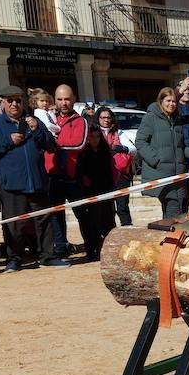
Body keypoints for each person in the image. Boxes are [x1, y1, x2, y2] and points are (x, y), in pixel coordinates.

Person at [0, 86, 65, 270]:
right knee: (14, 224)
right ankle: (14, 259)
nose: (14, 104)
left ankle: (48, 256)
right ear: (2, 102)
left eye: (18, 100)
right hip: (11, 183)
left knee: (44, 220)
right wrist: (8, 141)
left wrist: (37, 130)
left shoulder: (34, 121)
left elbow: (51, 145)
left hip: (37, 181)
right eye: (10, 101)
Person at [51, 85, 90, 259]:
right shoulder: (50, 119)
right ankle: (60, 249)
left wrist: (53, 144)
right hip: (54, 176)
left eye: (67, 99)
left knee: (83, 215)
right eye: (59, 99)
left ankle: (91, 246)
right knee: (56, 216)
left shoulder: (80, 121)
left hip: (74, 177)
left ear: (73, 99)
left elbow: (78, 144)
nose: (63, 103)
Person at [137, 87, 189, 216]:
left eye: (174, 101)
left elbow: (180, 147)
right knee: (173, 210)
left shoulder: (177, 120)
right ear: (161, 101)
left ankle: (170, 235)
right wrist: (156, 160)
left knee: (181, 210)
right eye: (168, 100)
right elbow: (140, 142)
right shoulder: (150, 118)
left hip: (179, 175)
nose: (171, 104)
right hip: (162, 175)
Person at [78, 122, 116, 254]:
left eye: (97, 137)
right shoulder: (82, 154)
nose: (95, 139)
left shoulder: (105, 153)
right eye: (92, 136)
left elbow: (110, 173)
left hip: (105, 192)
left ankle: (109, 248)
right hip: (88, 194)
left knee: (108, 220)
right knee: (90, 223)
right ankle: (91, 249)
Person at [98, 106, 133, 227]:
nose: (106, 120)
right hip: (103, 175)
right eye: (103, 117)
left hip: (121, 176)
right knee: (107, 210)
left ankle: (128, 233)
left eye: (108, 117)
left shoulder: (119, 132)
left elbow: (133, 149)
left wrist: (121, 148)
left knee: (123, 207)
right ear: (98, 118)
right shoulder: (94, 133)